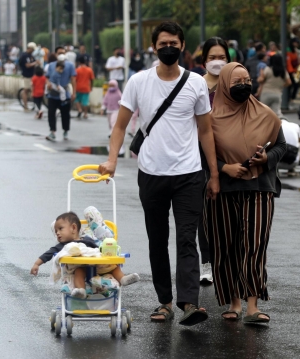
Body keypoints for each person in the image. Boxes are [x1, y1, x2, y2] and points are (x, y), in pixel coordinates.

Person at [98, 21, 220, 326]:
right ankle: (164, 302)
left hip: (190, 174)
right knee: (157, 239)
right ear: (154, 47)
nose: (169, 48)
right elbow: (120, 126)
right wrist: (112, 160)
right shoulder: (139, 82)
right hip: (151, 173)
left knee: (187, 239)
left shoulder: (195, 84)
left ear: (183, 47)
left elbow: (206, 131)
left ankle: (189, 302)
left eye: (175, 43)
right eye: (163, 43)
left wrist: (214, 174)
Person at [204, 62, 286, 324]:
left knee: (255, 246)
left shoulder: (266, 114)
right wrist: (224, 167)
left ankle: (252, 305)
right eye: (237, 81)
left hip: (260, 188)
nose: (243, 85)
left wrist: (265, 159)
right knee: (225, 246)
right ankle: (234, 302)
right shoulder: (209, 117)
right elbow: (199, 152)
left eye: (247, 80)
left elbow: (281, 146)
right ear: (225, 84)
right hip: (222, 189)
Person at [30, 211, 140, 298]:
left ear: (73, 228)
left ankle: (123, 279)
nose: (57, 233)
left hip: (98, 267)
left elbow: (98, 251)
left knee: (113, 267)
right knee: (79, 272)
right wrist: (36, 264)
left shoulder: (87, 240)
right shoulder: (64, 246)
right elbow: (48, 253)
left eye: (60, 229)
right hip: (82, 268)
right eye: (56, 230)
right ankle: (81, 290)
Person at [197, 37, 231, 285]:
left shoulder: (235, 83)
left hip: (230, 155)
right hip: (198, 154)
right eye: (212, 58)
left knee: (229, 212)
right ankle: (206, 263)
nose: (217, 62)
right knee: (203, 212)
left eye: (222, 57)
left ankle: (227, 262)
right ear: (204, 61)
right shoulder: (195, 85)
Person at [45, 47, 76, 142]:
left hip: (64, 93)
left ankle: (65, 130)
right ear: (55, 54)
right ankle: (52, 131)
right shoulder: (51, 65)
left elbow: (73, 79)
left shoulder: (70, 65)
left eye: (63, 52)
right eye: (59, 53)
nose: (61, 54)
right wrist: (49, 84)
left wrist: (74, 92)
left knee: (65, 114)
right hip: (53, 94)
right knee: (51, 113)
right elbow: (47, 77)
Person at [258, 53, 291, 117]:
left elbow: (261, 80)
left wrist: (260, 76)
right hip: (277, 94)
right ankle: (276, 126)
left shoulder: (268, 69)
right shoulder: (283, 71)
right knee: (276, 114)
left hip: (266, 93)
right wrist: (281, 86)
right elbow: (289, 82)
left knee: (263, 113)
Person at [18, 42, 38, 110]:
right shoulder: (24, 55)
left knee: (32, 89)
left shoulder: (31, 56)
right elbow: (27, 65)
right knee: (26, 90)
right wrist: (35, 63)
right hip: (27, 75)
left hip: (32, 75)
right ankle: (25, 106)